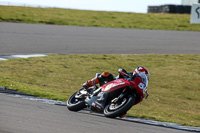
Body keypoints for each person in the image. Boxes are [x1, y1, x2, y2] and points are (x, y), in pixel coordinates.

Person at [83, 66, 149, 90]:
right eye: (142, 76)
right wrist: (122, 72)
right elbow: (121, 70)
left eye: (144, 78)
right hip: (114, 83)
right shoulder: (130, 74)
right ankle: (89, 83)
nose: (142, 79)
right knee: (107, 74)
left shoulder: (140, 84)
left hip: (121, 90)